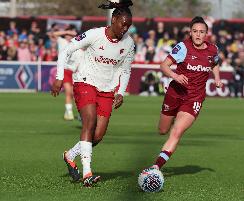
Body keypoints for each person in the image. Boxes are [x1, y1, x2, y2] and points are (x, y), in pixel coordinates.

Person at [51, 0, 134, 187]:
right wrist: (59, 77)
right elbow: (65, 51)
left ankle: (70, 155)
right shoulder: (94, 34)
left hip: (107, 91)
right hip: (85, 83)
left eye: (129, 25)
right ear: (114, 19)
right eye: (123, 23)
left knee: (97, 136)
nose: (126, 28)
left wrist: (120, 92)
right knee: (89, 122)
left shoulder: (128, 43)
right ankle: (87, 173)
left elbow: (126, 70)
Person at [145, 17, 223, 173]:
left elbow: (214, 63)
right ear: (190, 32)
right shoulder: (183, 47)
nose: (198, 35)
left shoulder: (213, 49)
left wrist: (217, 78)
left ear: (207, 34)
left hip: (194, 98)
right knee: (162, 130)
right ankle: (175, 116)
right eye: (195, 31)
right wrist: (175, 76)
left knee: (177, 131)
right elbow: (164, 65)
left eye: (201, 32)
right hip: (174, 94)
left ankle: (156, 166)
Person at [49, 27, 82, 120]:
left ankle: (80, 113)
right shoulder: (62, 42)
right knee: (68, 92)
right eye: (68, 35)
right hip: (66, 71)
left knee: (77, 94)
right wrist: (67, 31)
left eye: (71, 35)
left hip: (75, 73)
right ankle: (69, 112)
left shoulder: (78, 46)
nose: (69, 36)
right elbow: (53, 34)